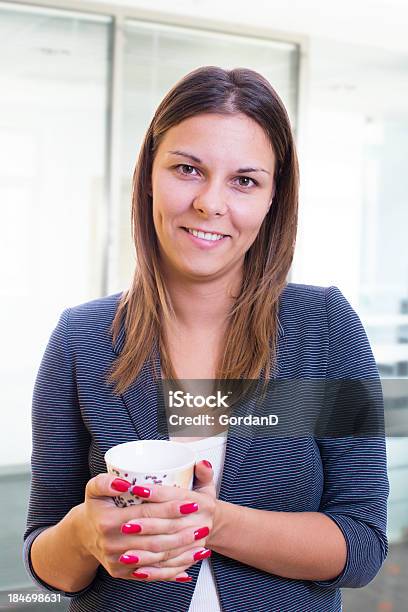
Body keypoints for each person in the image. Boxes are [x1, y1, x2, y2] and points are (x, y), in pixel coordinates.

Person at [23, 66, 389, 612]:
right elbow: (46, 565)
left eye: (244, 180)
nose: (210, 204)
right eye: (188, 169)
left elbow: (362, 546)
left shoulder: (322, 324)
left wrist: (211, 522)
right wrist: (82, 535)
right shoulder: (82, 337)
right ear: (149, 173)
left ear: (272, 199)